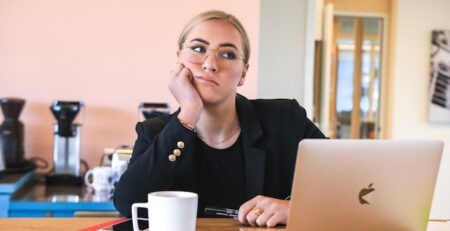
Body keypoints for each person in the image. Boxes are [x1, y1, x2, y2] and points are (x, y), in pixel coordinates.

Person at [113, 10, 326, 227]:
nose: (210, 64)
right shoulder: (154, 133)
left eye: (228, 54)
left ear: (243, 72)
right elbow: (129, 204)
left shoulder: (286, 120)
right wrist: (188, 112)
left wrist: (296, 209)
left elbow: (351, 188)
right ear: (179, 60)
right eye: (198, 49)